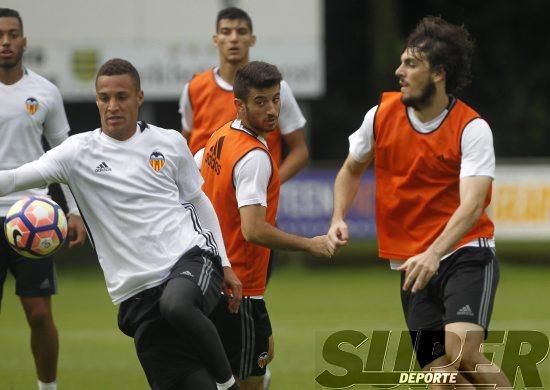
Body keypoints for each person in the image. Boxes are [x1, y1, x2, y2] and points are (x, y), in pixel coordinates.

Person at [0, 58, 242, 390]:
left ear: (139, 97)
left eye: (122, 96)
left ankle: (230, 385)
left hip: (190, 260)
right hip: (136, 295)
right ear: (97, 100)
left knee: (177, 305)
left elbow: (199, 201)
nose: (112, 105)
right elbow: (14, 178)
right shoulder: (75, 153)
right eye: (104, 97)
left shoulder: (169, 142)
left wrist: (225, 263)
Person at [328, 17, 511, 388]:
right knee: (440, 378)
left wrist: (434, 252)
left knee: (463, 352)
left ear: (439, 73)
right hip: (412, 265)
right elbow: (350, 169)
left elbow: (472, 205)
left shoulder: (471, 128)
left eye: (411, 64)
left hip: (465, 253)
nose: (399, 71)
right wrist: (337, 217)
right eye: (401, 62)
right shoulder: (380, 116)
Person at [197, 61, 334, 390]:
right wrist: (310, 244)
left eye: (275, 99)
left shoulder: (221, 135)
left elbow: (193, 178)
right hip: (240, 285)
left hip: (212, 273)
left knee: (262, 352)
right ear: (239, 105)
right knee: (248, 378)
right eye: (261, 102)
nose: (272, 110)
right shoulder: (254, 157)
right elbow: (254, 230)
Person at [0, 8, 87, 390]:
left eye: (12, 34)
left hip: (32, 216)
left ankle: (47, 388)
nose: (5, 41)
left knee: (38, 313)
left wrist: (73, 211)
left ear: (24, 41)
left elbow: (64, 154)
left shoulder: (45, 92)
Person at [179, 6, 309, 184]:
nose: (233, 38)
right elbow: (183, 145)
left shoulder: (277, 89)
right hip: (204, 199)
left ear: (252, 39)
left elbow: (300, 151)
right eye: (226, 32)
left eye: (241, 32)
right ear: (216, 39)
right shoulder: (194, 88)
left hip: (256, 196)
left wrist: (270, 184)